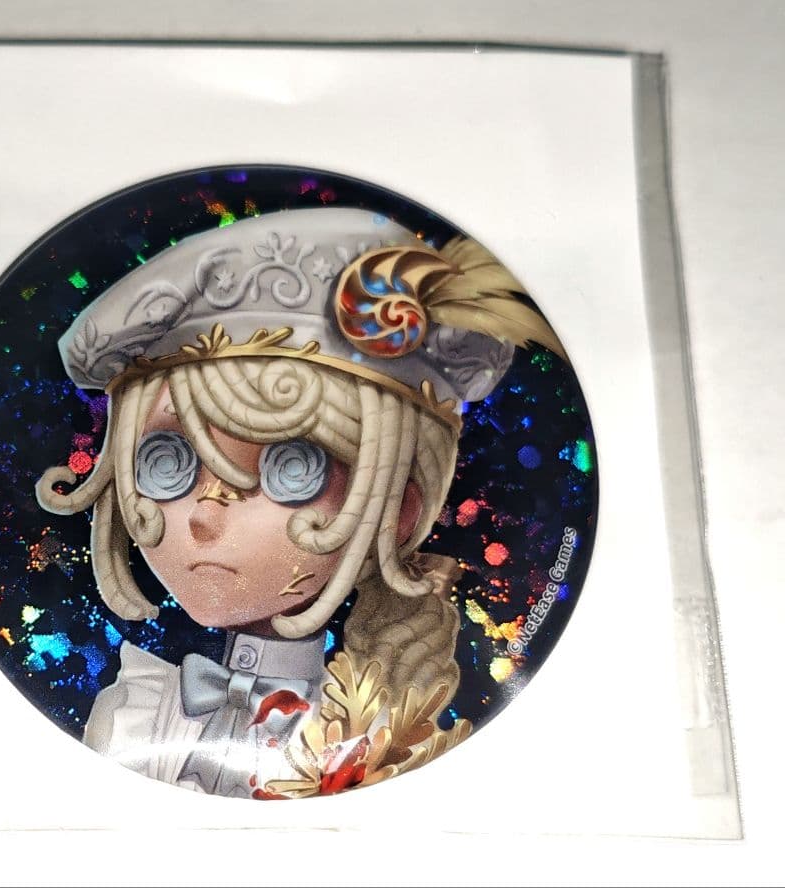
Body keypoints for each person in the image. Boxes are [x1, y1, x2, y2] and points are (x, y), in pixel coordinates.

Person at [35, 207, 566, 799]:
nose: (206, 516)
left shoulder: (384, 734)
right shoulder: (133, 709)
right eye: (168, 461)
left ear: (398, 512)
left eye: (291, 469)